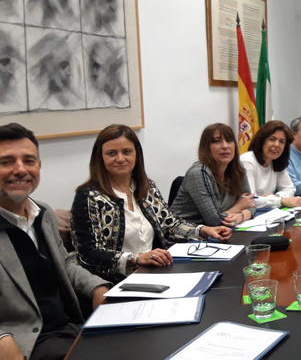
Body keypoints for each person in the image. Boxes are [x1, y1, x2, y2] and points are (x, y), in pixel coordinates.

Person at [0, 123, 110, 360]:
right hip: (28, 342)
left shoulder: (43, 213)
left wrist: (97, 287)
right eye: (6, 162)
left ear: (39, 166)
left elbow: (67, 262)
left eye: (29, 161)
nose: (20, 169)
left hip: (71, 328)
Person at [70, 125, 232, 283]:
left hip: (157, 272)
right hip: (117, 281)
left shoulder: (147, 187)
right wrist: (136, 258)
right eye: (112, 153)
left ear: (137, 155)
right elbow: (88, 253)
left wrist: (204, 230)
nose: (120, 159)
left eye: (127, 152)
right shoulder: (89, 196)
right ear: (100, 158)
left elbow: (170, 225)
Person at [171, 123, 256, 226]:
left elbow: (250, 204)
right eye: (217, 141)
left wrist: (240, 216)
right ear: (206, 148)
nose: (225, 146)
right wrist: (238, 207)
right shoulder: (198, 173)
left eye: (229, 141)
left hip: (217, 232)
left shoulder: (237, 169)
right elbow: (214, 221)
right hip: (185, 235)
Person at [240, 120, 301, 209]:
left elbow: (290, 188)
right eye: (272, 139)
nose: (276, 145)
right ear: (262, 141)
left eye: (282, 141)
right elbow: (250, 200)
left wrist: (273, 198)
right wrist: (281, 201)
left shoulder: (275, 161)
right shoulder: (247, 161)